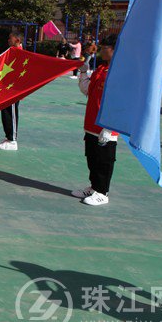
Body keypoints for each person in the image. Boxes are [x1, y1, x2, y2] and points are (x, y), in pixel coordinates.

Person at [72, 35, 119, 206]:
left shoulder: (119, 71)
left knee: (104, 160)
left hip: (106, 126)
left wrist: (110, 126)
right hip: (91, 122)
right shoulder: (100, 69)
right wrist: (83, 72)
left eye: (104, 47)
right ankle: (93, 187)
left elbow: (120, 102)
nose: (101, 50)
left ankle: (103, 192)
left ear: (113, 49)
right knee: (92, 157)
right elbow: (87, 91)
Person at [0, 31, 22, 151]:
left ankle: (13, 140)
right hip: (7, 88)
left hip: (13, 90)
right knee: (5, 112)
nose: (8, 40)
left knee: (11, 113)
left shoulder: (21, 53)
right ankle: (8, 137)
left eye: (10, 38)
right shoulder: (11, 52)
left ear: (17, 40)